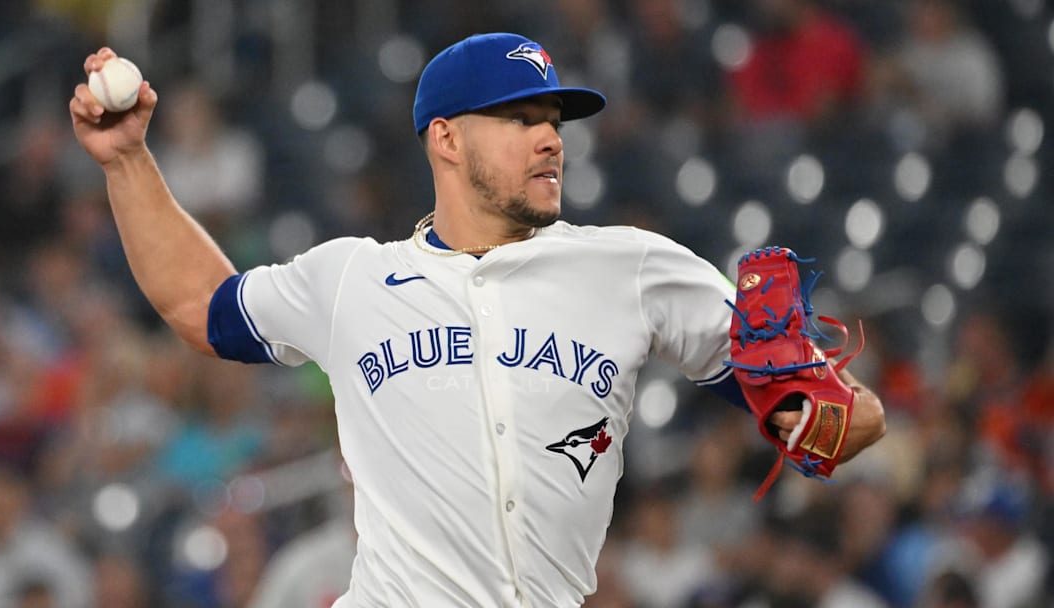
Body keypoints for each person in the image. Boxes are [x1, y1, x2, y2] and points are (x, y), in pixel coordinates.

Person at [70, 32, 886, 607]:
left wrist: (815, 402)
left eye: (554, 124)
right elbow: (198, 307)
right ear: (447, 139)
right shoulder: (353, 277)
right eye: (520, 120)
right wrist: (129, 161)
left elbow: (836, 427)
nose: (548, 142)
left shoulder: (631, 266)